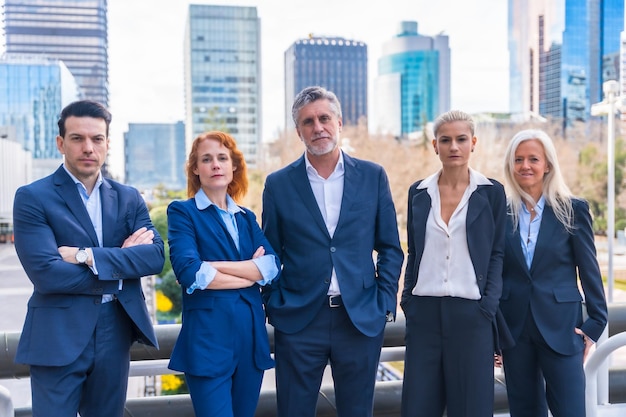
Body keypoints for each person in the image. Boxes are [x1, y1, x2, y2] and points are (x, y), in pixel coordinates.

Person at [12, 100, 164, 417]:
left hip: (115, 330)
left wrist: (87, 256)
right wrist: (121, 264)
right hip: (57, 332)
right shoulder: (32, 197)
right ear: (60, 143)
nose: (88, 148)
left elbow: (154, 257)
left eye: (97, 139)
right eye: (77, 138)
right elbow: (47, 274)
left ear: (107, 144)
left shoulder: (128, 197)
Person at [261, 86, 404, 417]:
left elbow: (390, 248)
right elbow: (269, 252)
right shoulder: (278, 184)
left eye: (324, 118)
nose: (318, 127)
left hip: (358, 319)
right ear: (299, 131)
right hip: (298, 321)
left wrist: (383, 299)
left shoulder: (372, 176)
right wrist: (274, 302)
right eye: (308, 122)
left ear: (339, 123)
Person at [400, 110, 507, 417]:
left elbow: (497, 253)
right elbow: (415, 251)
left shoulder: (492, 192)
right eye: (445, 140)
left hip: (472, 314)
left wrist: (488, 306)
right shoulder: (418, 193)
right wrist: (409, 299)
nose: (453, 147)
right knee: (419, 406)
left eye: (461, 139)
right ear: (435, 145)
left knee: (472, 407)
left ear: (473, 143)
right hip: (424, 313)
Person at [167, 131, 280, 417]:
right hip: (207, 341)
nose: (215, 165)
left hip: (250, 339)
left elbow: (271, 268)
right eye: (206, 159)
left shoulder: (246, 217)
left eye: (222, 158)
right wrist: (250, 273)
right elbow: (191, 273)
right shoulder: (183, 212)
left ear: (233, 167)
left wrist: (213, 266)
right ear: (196, 168)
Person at [497, 129, 608, 417]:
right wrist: (494, 330)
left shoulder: (573, 209)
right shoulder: (500, 212)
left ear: (547, 164)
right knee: (524, 410)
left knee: (570, 410)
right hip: (515, 329)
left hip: (562, 327)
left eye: (533, 159)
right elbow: (494, 272)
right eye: (518, 159)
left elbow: (589, 271)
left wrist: (594, 324)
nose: (525, 166)